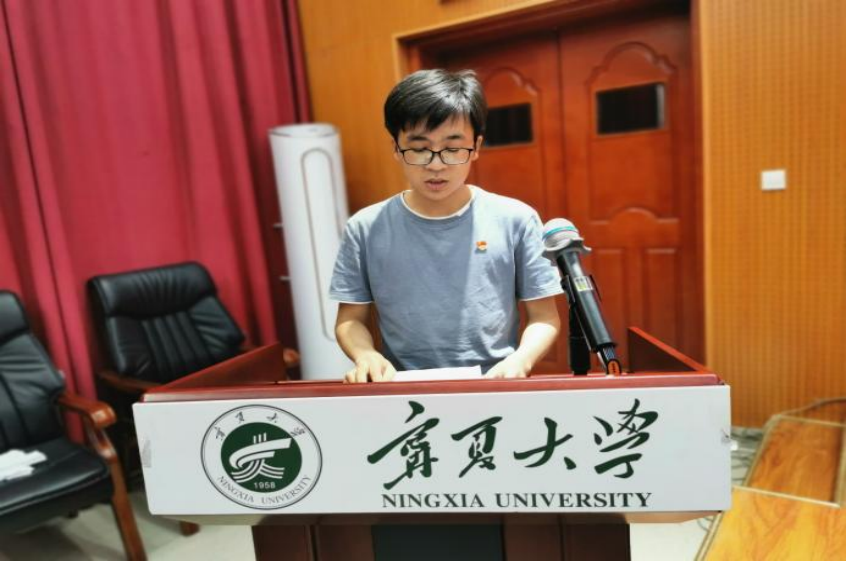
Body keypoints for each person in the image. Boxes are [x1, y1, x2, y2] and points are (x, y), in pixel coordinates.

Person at [329, 69, 562, 383]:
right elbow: (350, 319)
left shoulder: (515, 219)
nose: (436, 164)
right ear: (396, 147)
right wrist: (366, 355)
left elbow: (544, 317)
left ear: (476, 147)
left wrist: (521, 359)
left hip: (494, 382)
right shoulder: (365, 227)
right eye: (419, 148)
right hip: (401, 386)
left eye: (452, 149)